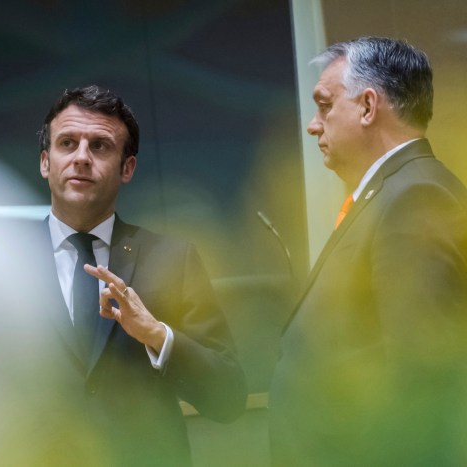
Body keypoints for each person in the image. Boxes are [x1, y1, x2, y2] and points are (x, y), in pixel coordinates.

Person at [269, 37, 467, 466]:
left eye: (324, 105)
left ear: (367, 107)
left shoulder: (415, 196)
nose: (312, 125)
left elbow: (423, 384)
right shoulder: (389, 192)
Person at [28, 85, 247, 465]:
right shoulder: (6, 261)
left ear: (127, 168)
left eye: (99, 146)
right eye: (67, 143)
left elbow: (228, 397)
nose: (81, 157)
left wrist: (156, 335)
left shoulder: (172, 260)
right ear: (46, 162)